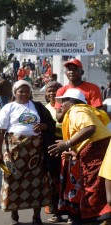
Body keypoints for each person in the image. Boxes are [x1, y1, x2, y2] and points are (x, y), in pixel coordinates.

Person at [0, 80, 55, 225]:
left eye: (27, 91)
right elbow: (1, 130)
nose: (24, 94)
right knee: (13, 182)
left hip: (35, 152)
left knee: (36, 183)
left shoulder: (38, 107)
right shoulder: (8, 108)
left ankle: (36, 217)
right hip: (15, 152)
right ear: (15, 92)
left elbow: (50, 123)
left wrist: (42, 125)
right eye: (20, 91)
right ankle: (14, 218)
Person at [48, 88, 111, 224]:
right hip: (98, 149)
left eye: (63, 102)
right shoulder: (82, 111)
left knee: (93, 188)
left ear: (71, 103)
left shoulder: (76, 110)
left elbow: (89, 128)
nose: (61, 106)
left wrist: (67, 143)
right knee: (98, 189)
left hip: (97, 150)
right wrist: (75, 152)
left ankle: (96, 219)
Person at [44, 81, 64, 222]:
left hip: (68, 146)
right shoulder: (44, 109)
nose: (52, 92)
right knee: (53, 180)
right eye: (49, 90)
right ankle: (55, 211)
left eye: (55, 89)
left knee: (68, 179)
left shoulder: (67, 106)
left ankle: (70, 211)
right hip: (51, 148)